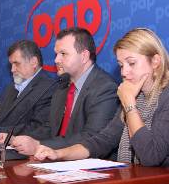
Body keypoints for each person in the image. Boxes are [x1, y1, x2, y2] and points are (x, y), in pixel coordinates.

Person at [35, 28, 169, 167]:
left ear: (155, 61)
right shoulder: (135, 97)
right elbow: (103, 141)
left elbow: (151, 156)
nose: (124, 72)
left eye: (132, 63)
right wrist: (59, 154)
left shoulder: (161, 97)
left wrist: (129, 105)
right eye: (121, 65)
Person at [7, 27, 119, 156]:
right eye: (56, 54)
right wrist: (17, 139)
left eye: (63, 54)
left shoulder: (105, 87)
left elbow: (91, 136)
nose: (56, 60)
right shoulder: (62, 86)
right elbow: (50, 128)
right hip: (57, 161)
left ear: (84, 56)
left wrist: (39, 145)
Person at [0, 40, 55, 144]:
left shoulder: (49, 87)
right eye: (11, 64)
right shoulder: (10, 88)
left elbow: (38, 127)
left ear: (34, 62)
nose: (12, 69)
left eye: (16, 64)